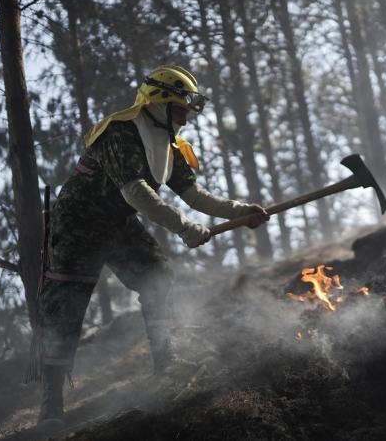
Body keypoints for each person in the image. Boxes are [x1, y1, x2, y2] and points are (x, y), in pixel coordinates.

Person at [34, 65, 269, 427]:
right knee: (65, 308)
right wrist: (185, 229)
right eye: (181, 110)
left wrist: (241, 211)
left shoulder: (169, 144)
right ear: (160, 104)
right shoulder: (120, 132)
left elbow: (193, 194)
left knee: (156, 274)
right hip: (78, 224)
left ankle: (165, 361)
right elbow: (137, 192)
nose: (187, 120)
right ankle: (51, 405)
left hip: (116, 223)